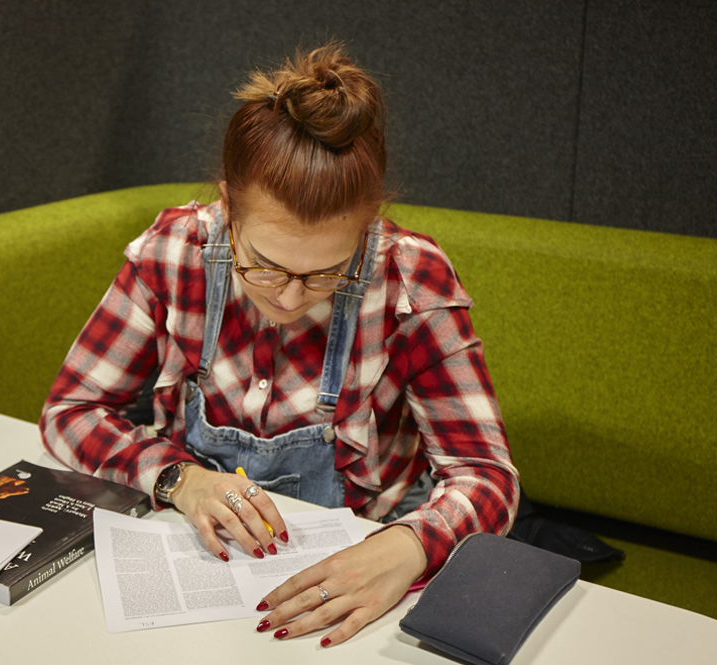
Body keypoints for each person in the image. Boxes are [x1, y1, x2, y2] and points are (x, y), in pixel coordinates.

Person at [41, 43, 519, 647]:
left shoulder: (410, 279)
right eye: (264, 266)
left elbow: (487, 476)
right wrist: (178, 479)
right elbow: (70, 412)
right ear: (227, 206)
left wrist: (408, 546)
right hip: (204, 561)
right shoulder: (175, 253)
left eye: (327, 273)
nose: (291, 299)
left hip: (366, 560)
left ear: (370, 223)